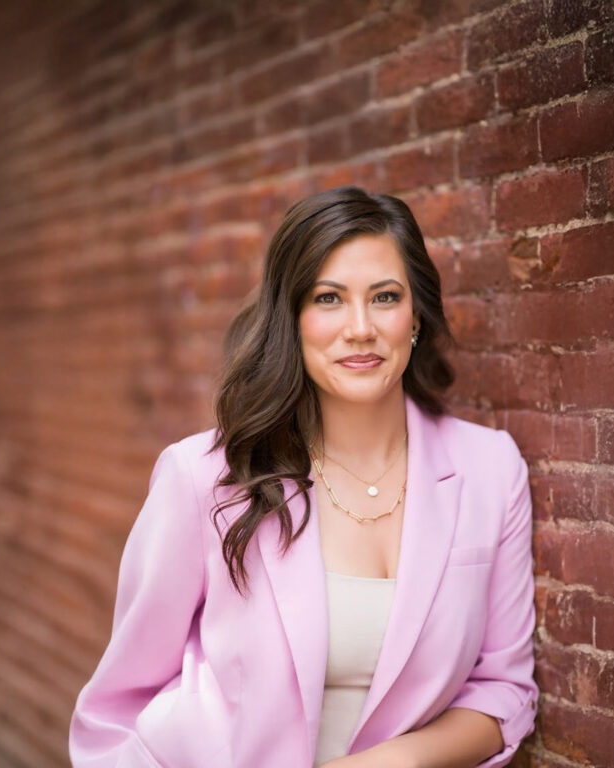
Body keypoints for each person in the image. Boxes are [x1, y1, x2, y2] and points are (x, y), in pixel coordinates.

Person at [68, 186, 538, 768]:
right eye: (329, 298)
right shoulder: (204, 477)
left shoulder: (491, 470)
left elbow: (505, 690)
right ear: (292, 318)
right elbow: (114, 710)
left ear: (416, 316)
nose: (361, 327)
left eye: (385, 297)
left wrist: (394, 763)